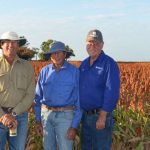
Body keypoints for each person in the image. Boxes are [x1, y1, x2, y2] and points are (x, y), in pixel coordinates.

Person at [34, 41, 82, 150]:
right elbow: (37, 98)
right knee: (47, 147)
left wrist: (74, 126)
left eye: (59, 53)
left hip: (65, 116)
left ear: (65, 54)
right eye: (53, 53)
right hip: (46, 116)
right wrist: (38, 120)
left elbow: (79, 100)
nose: (56, 55)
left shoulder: (74, 72)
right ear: (50, 56)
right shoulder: (44, 72)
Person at [79, 29, 120, 150]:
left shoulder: (109, 63)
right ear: (86, 44)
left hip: (100, 117)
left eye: (96, 43)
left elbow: (111, 91)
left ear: (102, 45)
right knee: (86, 147)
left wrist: (102, 116)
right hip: (85, 116)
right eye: (90, 43)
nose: (93, 46)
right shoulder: (84, 64)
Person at [0, 31, 35, 150]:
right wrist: (3, 116)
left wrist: (13, 114)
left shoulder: (27, 66)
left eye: (14, 42)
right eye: (7, 42)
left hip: (20, 117)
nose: (11, 45)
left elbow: (30, 95)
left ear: (18, 45)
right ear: (1, 45)